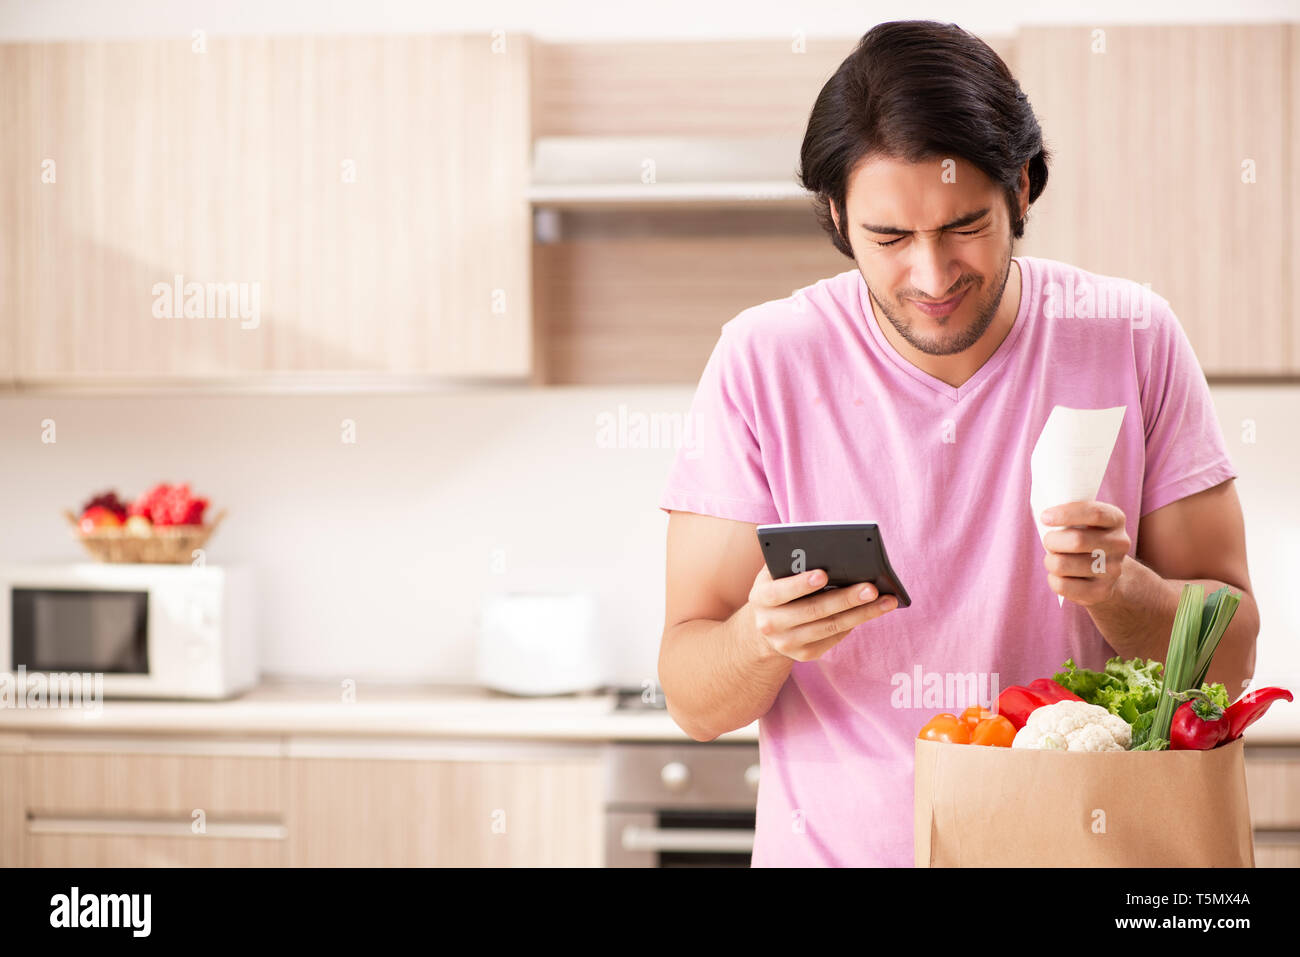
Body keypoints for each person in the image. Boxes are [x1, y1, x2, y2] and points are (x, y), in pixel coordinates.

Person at [656, 19, 1259, 867]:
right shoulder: (764, 359)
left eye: (964, 225)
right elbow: (692, 697)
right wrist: (761, 638)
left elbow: (1229, 659)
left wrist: (1120, 588)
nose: (933, 278)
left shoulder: (1128, 335)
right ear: (835, 216)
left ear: (1020, 187)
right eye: (891, 238)